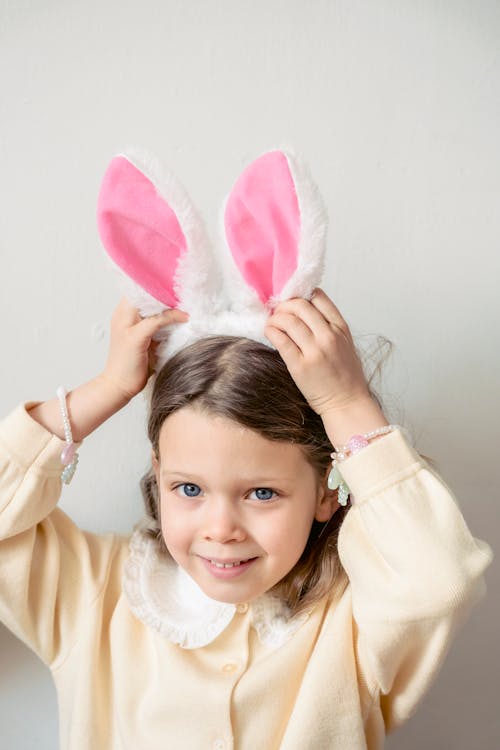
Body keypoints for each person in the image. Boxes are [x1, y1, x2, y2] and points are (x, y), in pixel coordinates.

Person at [0, 149, 493, 749]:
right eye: (188, 488)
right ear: (157, 476)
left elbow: (439, 580)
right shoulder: (92, 596)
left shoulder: (355, 621)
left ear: (326, 491)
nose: (221, 528)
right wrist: (107, 390)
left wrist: (346, 407)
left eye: (262, 493)